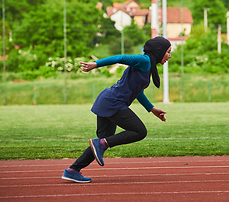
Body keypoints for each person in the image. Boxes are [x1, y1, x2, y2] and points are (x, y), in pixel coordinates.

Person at [62, 36, 172, 183]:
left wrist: (152, 109)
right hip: (113, 102)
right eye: (168, 52)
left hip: (107, 101)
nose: (169, 56)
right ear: (159, 51)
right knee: (139, 131)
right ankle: (99, 145)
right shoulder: (144, 60)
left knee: (100, 143)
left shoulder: (148, 65)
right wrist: (95, 64)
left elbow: (138, 91)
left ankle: (72, 170)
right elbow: (119, 57)